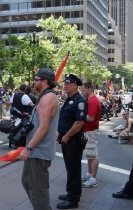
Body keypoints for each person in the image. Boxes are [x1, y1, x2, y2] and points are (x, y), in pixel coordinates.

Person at [19, 68, 60, 210]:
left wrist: (28, 148)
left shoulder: (47, 98)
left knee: (38, 189)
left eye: (36, 80)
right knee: (27, 181)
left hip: (39, 152)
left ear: (45, 81)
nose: (33, 82)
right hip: (37, 151)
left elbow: (43, 128)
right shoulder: (45, 97)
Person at [57, 74, 88, 209]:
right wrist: (60, 133)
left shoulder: (80, 101)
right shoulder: (69, 99)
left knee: (74, 170)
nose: (65, 85)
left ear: (75, 85)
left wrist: (67, 135)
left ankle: (73, 199)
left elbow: (79, 122)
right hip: (66, 138)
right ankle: (71, 193)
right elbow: (65, 119)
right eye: (65, 83)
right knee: (70, 169)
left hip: (73, 140)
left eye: (68, 83)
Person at [80, 82, 101, 188]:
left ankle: (93, 178)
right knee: (90, 154)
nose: (81, 92)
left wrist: (80, 115)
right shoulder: (91, 100)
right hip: (89, 130)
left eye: (83, 90)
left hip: (91, 130)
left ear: (89, 89)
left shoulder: (92, 101)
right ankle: (89, 174)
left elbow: (91, 118)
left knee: (93, 154)